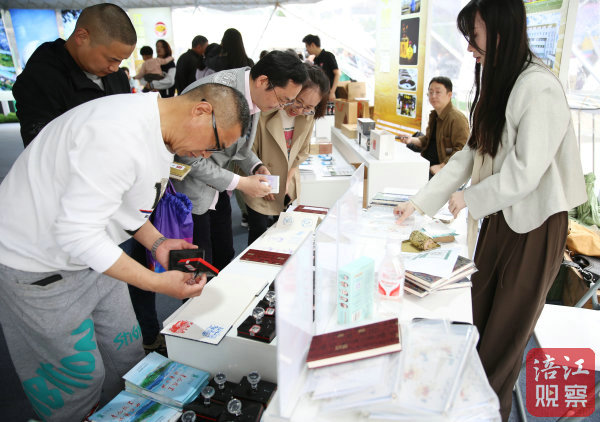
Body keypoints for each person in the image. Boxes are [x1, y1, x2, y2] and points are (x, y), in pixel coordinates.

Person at [0, 83, 250, 422]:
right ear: (201, 111)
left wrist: (158, 243)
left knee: (127, 353)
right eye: (214, 144)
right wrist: (156, 283)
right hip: (40, 267)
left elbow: (123, 204)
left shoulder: (158, 129)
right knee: (75, 381)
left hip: (99, 256)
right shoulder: (115, 136)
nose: (207, 155)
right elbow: (77, 234)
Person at [393, 0, 586, 420]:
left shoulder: (539, 87)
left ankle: (488, 410)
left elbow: (526, 172)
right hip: (500, 218)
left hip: (535, 225)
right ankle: (468, 403)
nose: (469, 48)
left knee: (504, 335)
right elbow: (469, 154)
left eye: (474, 37)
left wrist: (470, 198)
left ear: (500, 32)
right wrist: (420, 201)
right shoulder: (500, 83)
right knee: (476, 315)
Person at [172, 50, 308, 270]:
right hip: (191, 194)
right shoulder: (215, 94)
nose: (281, 106)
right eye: (283, 100)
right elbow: (188, 159)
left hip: (218, 187)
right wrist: (241, 183)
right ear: (263, 81)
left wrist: (256, 165)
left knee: (224, 254)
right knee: (198, 268)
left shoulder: (253, 93)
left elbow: (239, 145)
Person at [12, 3, 135, 147]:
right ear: (82, 37)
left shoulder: (118, 77)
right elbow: (42, 147)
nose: (115, 68)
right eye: (111, 59)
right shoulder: (39, 80)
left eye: (121, 61)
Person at [244, 63, 330, 244]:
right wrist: (267, 182)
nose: (299, 110)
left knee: (285, 234)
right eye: (298, 101)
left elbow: (302, 151)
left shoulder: (308, 116)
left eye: (309, 107)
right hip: (259, 178)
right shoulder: (265, 110)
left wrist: (286, 181)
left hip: (288, 181)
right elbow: (250, 150)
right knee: (258, 232)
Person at [400, 77, 469, 177]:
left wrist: (442, 166)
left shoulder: (457, 118)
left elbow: (463, 150)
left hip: (442, 172)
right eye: (431, 92)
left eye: (438, 92)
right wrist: (411, 140)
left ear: (449, 95)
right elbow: (427, 140)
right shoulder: (434, 115)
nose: (433, 96)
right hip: (427, 165)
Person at [303, 34, 340, 101]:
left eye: (307, 46)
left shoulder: (328, 56)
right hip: (321, 93)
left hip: (330, 93)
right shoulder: (316, 59)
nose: (307, 50)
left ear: (312, 45)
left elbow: (337, 74)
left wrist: (332, 92)